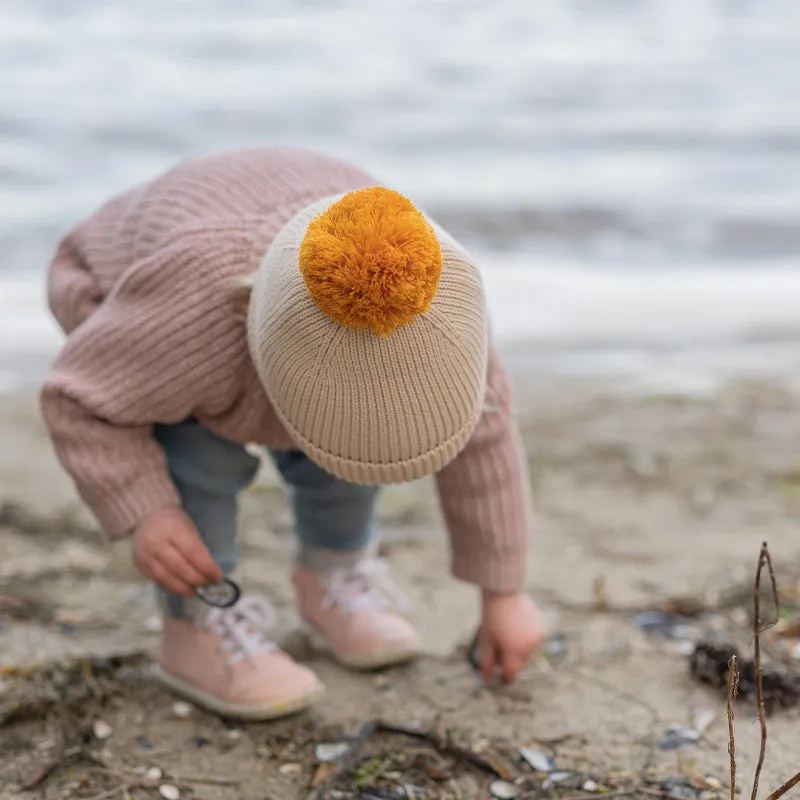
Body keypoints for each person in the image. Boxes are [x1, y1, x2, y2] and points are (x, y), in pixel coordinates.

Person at [40, 147, 544, 721]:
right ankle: (197, 625)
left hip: (289, 277)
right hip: (124, 301)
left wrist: (505, 595)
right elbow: (79, 398)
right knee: (203, 461)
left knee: (352, 445)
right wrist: (147, 511)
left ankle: (331, 574)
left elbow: (488, 441)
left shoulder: (441, 305)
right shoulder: (189, 323)